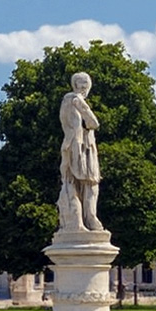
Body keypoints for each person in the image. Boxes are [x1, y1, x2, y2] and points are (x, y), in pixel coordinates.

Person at [58, 71, 103, 232]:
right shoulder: (74, 100)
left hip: (78, 146)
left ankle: (85, 220)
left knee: (79, 184)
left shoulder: (69, 100)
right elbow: (93, 123)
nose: (84, 87)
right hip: (79, 146)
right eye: (81, 83)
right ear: (75, 85)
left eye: (86, 83)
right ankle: (87, 220)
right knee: (86, 183)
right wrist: (83, 106)